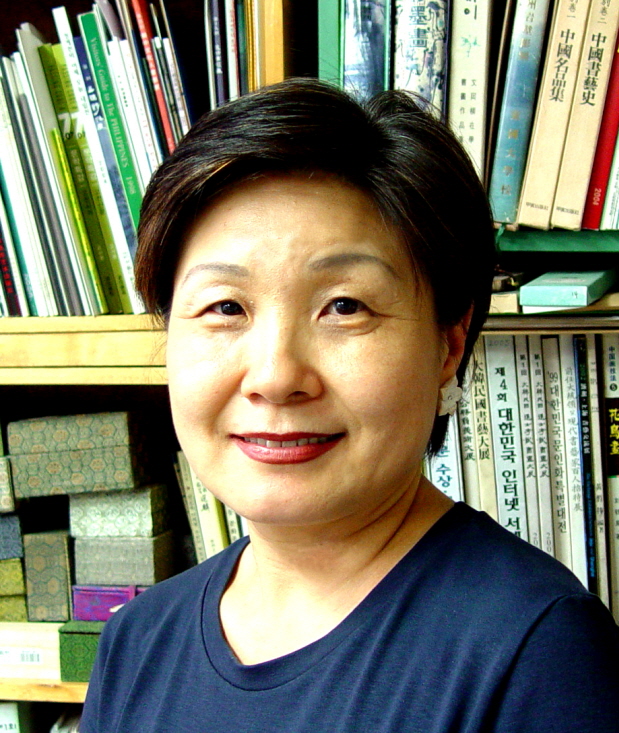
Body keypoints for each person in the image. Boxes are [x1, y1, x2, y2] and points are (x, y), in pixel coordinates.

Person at [80, 79, 619, 733]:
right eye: (225, 307)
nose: (275, 377)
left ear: (448, 345)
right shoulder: (136, 641)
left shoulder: (539, 653)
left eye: (344, 306)